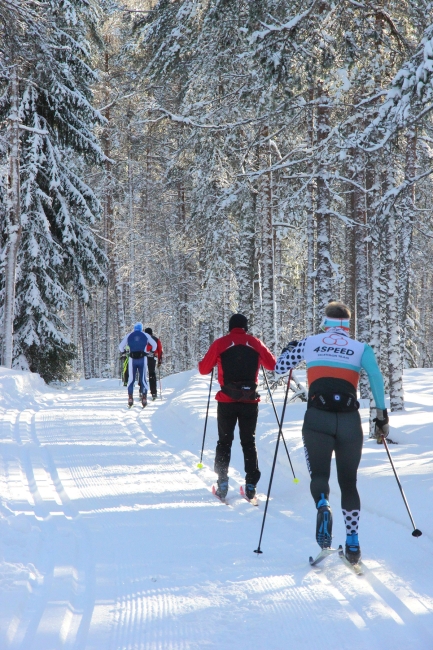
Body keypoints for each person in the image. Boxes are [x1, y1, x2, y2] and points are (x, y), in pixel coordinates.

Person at [275, 301, 388, 564]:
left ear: (325, 322)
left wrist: (288, 350)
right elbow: (376, 377)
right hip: (349, 421)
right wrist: (380, 416)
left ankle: (323, 506)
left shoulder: (310, 342)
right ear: (348, 325)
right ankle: (352, 543)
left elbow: (279, 368)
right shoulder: (362, 348)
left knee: (320, 474)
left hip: (317, 418)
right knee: (349, 483)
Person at [198, 313, 276, 500]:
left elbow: (203, 369)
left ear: (230, 327)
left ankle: (223, 481)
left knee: (224, 442)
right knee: (248, 442)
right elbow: (272, 365)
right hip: (250, 402)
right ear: (246, 327)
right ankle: (250, 484)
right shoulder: (255, 342)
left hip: (226, 401)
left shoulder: (220, 343)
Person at [119, 323, 157, 408]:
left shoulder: (129, 335)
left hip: (132, 359)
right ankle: (144, 397)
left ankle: (130, 398)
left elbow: (121, 346)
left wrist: (124, 351)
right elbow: (154, 345)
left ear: (134, 328)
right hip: (142, 358)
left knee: (131, 379)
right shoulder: (145, 335)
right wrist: (151, 351)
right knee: (143, 379)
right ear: (141, 328)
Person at [144, 327, 163, 400]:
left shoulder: (143, 338)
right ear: (151, 333)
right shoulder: (156, 339)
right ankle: (154, 392)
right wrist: (159, 361)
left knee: (143, 374)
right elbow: (160, 350)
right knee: (152, 373)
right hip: (153, 357)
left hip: (144, 357)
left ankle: (142, 391)